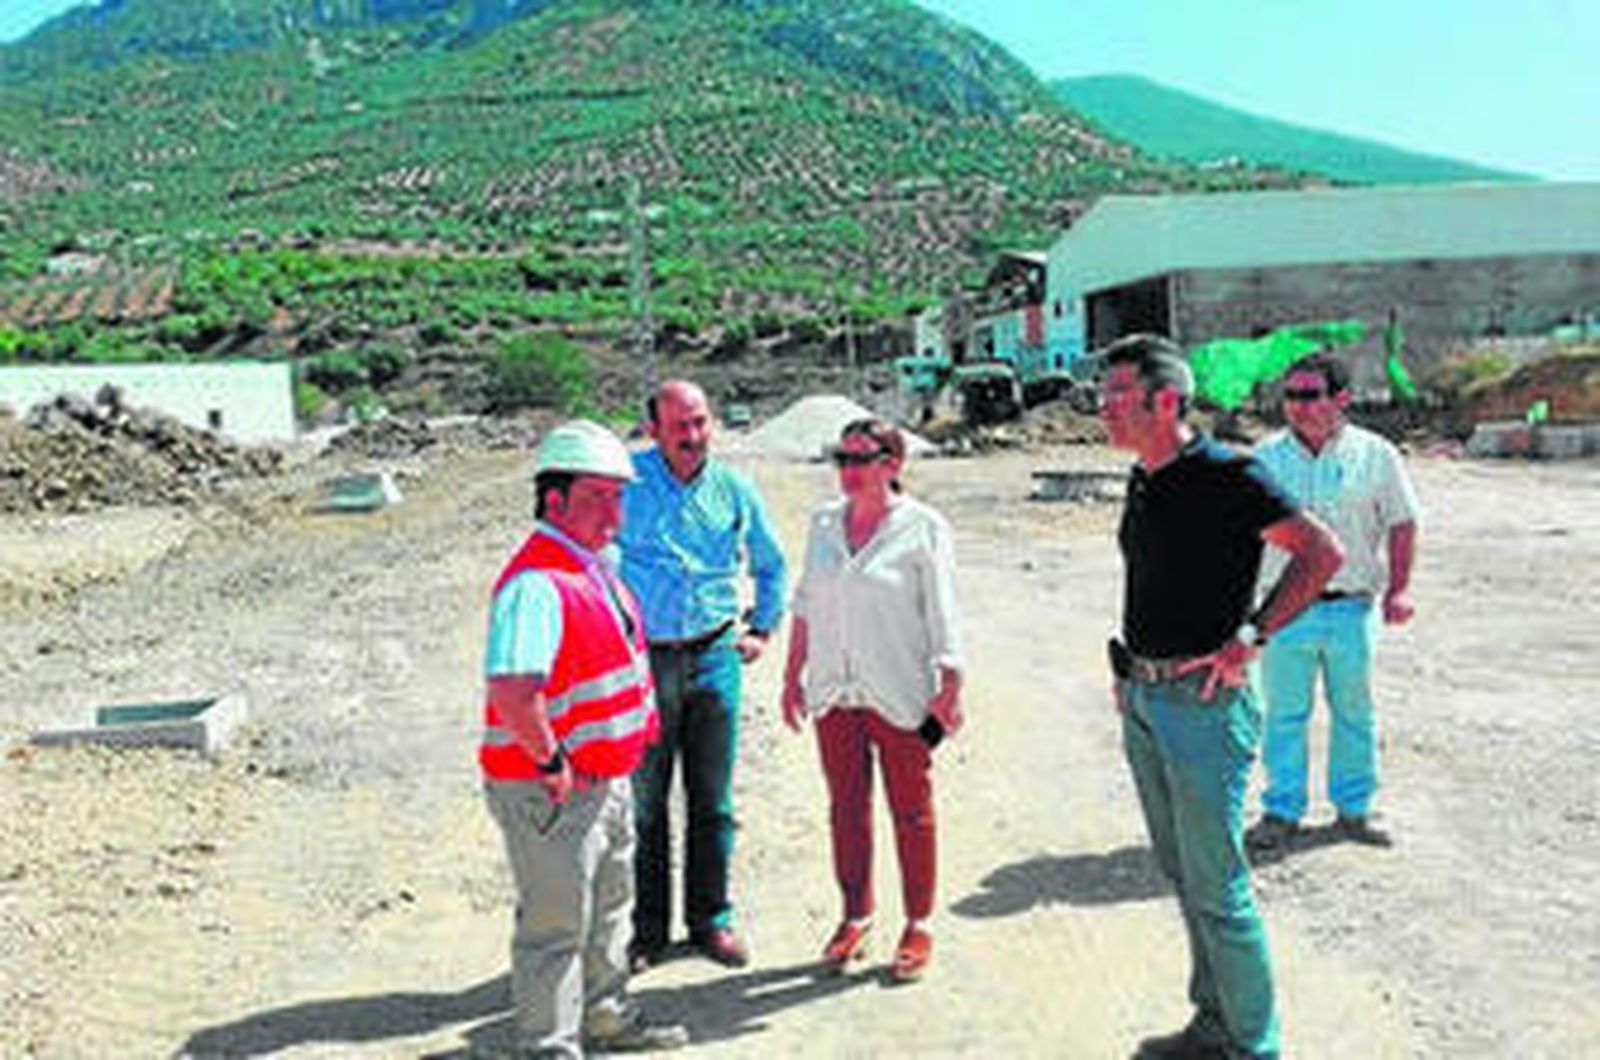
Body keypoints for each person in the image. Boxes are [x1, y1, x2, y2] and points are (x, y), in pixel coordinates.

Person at [1100, 335, 1344, 1060]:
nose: (1103, 407)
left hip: (1205, 705)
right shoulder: (1146, 478)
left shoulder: (1228, 474)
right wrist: (1128, 673)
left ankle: (1254, 1046)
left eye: (1117, 394)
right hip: (1147, 698)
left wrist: (1252, 636)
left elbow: (1321, 552)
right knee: (1185, 873)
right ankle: (1216, 1024)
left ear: (1165, 400)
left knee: (1219, 885)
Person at [479, 420, 688, 1058]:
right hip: (553, 789)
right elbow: (514, 689)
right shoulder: (537, 582)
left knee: (607, 915)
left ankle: (603, 1017)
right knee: (554, 930)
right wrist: (550, 761)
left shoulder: (589, 567)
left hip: (603, 779)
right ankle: (549, 1045)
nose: (614, 511)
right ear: (554, 501)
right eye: (597, 496)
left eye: (619, 496)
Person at [781, 417, 964, 983]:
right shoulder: (823, 524)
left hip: (898, 691)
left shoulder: (923, 528)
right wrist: (793, 677)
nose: (848, 471)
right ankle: (855, 915)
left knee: (911, 811)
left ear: (892, 464)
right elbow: (807, 603)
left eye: (861, 459)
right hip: (835, 690)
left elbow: (943, 613)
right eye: (842, 458)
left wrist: (951, 686)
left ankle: (919, 922)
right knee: (846, 810)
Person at [617, 380, 787, 971]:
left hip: (716, 656)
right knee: (646, 806)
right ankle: (648, 932)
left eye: (700, 422)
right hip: (645, 663)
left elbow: (770, 563)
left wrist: (762, 627)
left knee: (711, 801)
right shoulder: (626, 486)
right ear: (654, 431)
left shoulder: (733, 489)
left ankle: (711, 920)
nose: (692, 437)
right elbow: (591, 557)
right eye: (678, 427)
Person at [1246, 354, 1422, 851]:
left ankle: (1356, 809)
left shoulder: (1377, 456)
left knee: (1355, 712)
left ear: (1341, 399)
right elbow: (1240, 536)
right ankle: (1281, 811)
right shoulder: (1264, 460)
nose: (1296, 407)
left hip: (1352, 608)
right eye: (1290, 396)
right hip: (1283, 613)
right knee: (1283, 714)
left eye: (1309, 395)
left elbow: (1403, 522)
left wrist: (1400, 588)